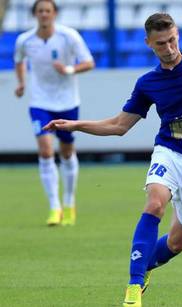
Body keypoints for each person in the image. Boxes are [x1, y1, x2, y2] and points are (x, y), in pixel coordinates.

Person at [44, 13, 182, 307]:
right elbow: (119, 126)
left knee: (177, 243)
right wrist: (75, 125)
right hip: (170, 152)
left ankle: (146, 266)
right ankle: (133, 288)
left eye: (173, 40)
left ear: (178, 35)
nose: (169, 48)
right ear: (149, 44)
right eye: (161, 43)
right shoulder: (148, 83)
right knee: (154, 203)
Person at [13, 0, 95, 226]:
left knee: (67, 152)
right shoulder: (25, 40)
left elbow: (89, 62)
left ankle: (69, 202)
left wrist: (69, 69)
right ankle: (54, 207)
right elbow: (19, 61)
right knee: (46, 151)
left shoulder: (69, 36)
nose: (44, 15)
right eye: (40, 11)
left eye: (48, 11)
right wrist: (21, 83)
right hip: (40, 102)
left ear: (54, 13)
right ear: (35, 15)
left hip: (67, 101)